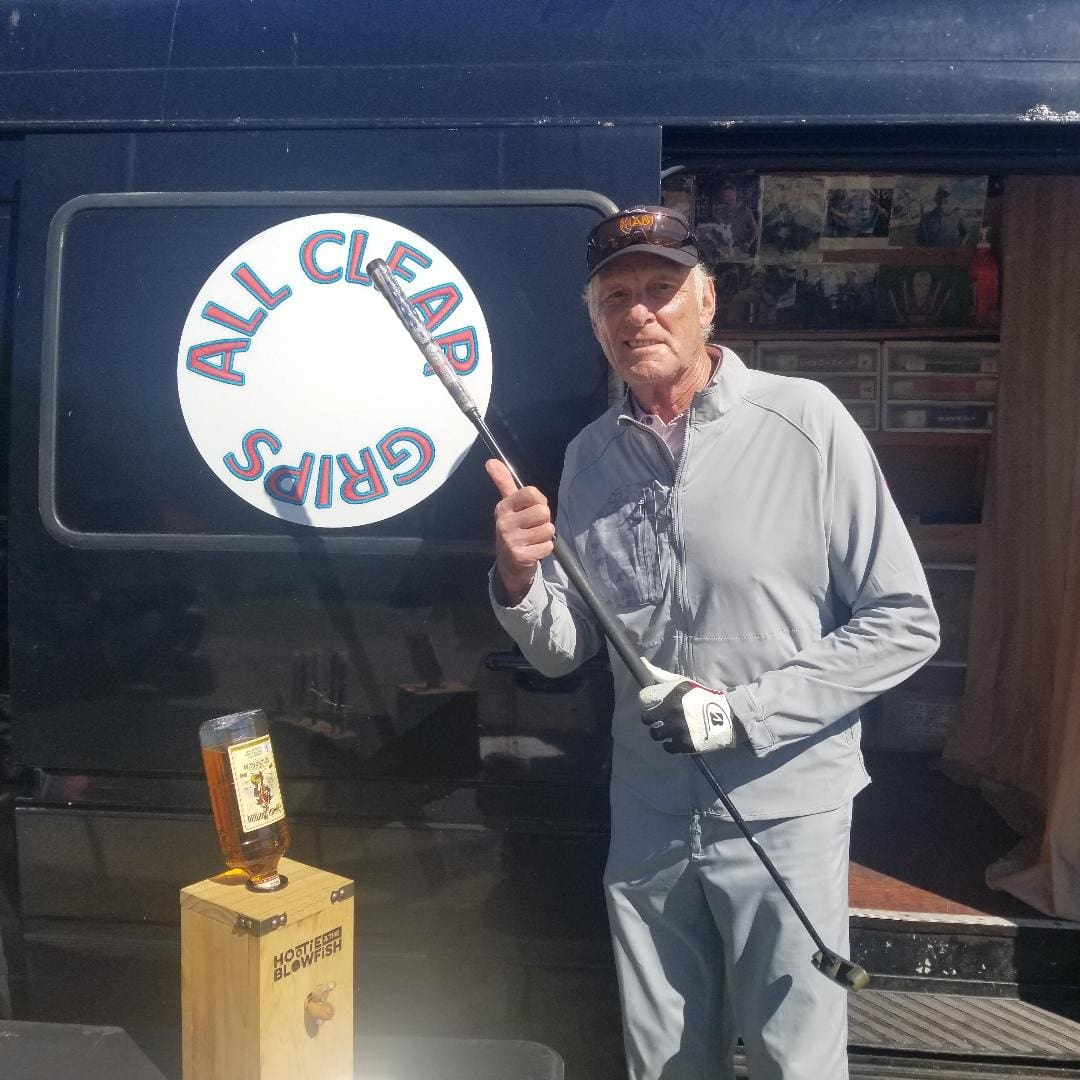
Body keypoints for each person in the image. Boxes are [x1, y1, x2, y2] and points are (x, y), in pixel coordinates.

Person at [485, 205, 939, 1080]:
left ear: (708, 304)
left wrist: (741, 713)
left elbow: (903, 623)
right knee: (662, 1062)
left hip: (784, 810)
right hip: (651, 815)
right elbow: (565, 649)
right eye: (616, 297)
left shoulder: (806, 421)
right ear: (596, 323)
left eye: (661, 290)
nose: (638, 314)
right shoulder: (588, 458)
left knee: (791, 1060)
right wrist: (517, 577)